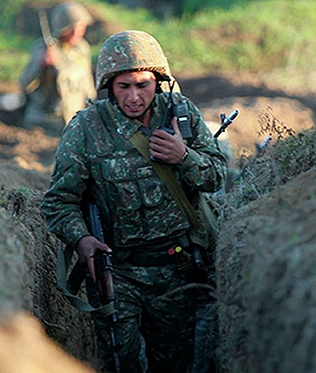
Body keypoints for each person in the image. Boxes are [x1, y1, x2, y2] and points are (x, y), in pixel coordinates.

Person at [41, 30, 227, 373]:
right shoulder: (86, 128)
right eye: (123, 86)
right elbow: (58, 202)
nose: (134, 97)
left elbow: (217, 177)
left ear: (158, 81)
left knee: (173, 363)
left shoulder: (181, 115)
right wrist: (82, 240)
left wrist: (184, 157)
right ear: (108, 86)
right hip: (118, 272)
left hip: (176, 269)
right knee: (120, 362)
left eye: (142, 85)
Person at [18, 1, 96, 128]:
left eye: (80, 28)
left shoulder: (82, 49)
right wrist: (41, 65)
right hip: (45, 121)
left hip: (73, 120)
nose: (76, 33)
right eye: (71, 28)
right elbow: (24, 84)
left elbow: (87, 83)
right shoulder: (43, 49)